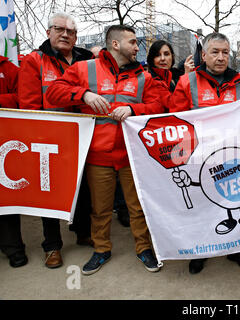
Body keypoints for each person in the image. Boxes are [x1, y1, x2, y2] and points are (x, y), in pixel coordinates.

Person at [45, 25, 169, 275]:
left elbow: (161, 103)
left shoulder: (143, 76)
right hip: (97, 156)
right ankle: (101, 249)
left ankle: (143, 248)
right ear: (115, 44)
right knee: (99, 209)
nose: (137, 47)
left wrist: (135, 110)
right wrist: (84, 95)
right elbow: (54, 93)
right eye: (133, 42)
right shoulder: (84, 69)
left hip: (132, 156)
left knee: (138, 207)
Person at [170, 32, 240, 274]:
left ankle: (236, 249)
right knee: (204, 206)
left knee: (234, 202)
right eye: (215, 52)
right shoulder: (187, 83)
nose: (220, 57)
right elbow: (176, 122)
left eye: (225, 52)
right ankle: (202, 251)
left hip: (233, 158)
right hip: (201, 159)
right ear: (203, 55)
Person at [18, 12, 94, 268]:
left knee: (83, 188)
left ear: (76, 37)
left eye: (70, 31)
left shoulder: (87, 59)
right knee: (48, 193)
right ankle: (52, 246)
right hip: (47, 140)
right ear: (48, 32)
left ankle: (83, 232)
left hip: (83, 136)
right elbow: (28, 106)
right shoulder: (33, 61)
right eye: (59, 29)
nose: (65, 34)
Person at [0, 55, 27, 268]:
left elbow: (22, 98)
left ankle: (13, 248)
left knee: (5, 196)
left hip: (5, 140)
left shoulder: (8, 68)